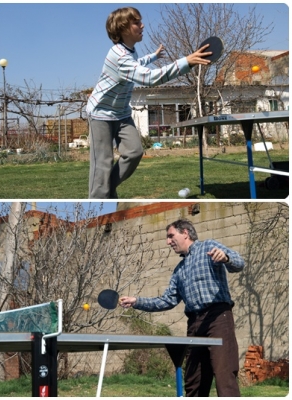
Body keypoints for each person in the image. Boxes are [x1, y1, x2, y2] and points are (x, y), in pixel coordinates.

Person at [87, 7, 212, 198]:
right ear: (123, 28)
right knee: (102, 164)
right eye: (137, 22)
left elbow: (138, 63)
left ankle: (105, 190)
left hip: (121, 114)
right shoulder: (118, 56)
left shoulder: (130, 52)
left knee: (135, 152)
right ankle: (98, 202)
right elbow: (150, 78)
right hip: (101, 114)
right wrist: (186, 61)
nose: (142, 25)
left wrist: (154, 56)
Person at [120, 219, 245, 397]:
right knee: (193, 382)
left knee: (224, 376)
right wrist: (136, 301)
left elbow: (239, 263)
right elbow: (166, 301)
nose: (167, 241)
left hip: (218, 318)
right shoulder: (179, 270)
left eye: (171, 236)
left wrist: (225, 258)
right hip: (194, 324)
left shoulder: (208, 246)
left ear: (185, 233)